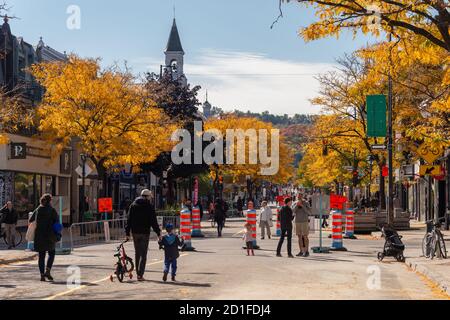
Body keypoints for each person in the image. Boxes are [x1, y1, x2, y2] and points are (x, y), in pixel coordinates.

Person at [125, 189, 162, 281]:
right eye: (150, 197)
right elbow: (153, 221)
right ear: (147, 197)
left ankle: (138, 272)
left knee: (137, 253)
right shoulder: (149, 206)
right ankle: (140, 275)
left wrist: (127, 233)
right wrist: (158, 233)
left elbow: (128, 220)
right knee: (143, 254)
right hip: (145, 233)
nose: (150, 198)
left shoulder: (133, 205)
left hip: (135, 232)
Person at [29, 194, 59, 282]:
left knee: (41, 256)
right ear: (50, 201)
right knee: (52, 253)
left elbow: (31, 220)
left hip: (39, 235)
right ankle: (48, 271)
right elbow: (57, 222)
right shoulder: (52, 210)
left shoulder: (38, 209)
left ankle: (42, 275)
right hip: (50, 235)